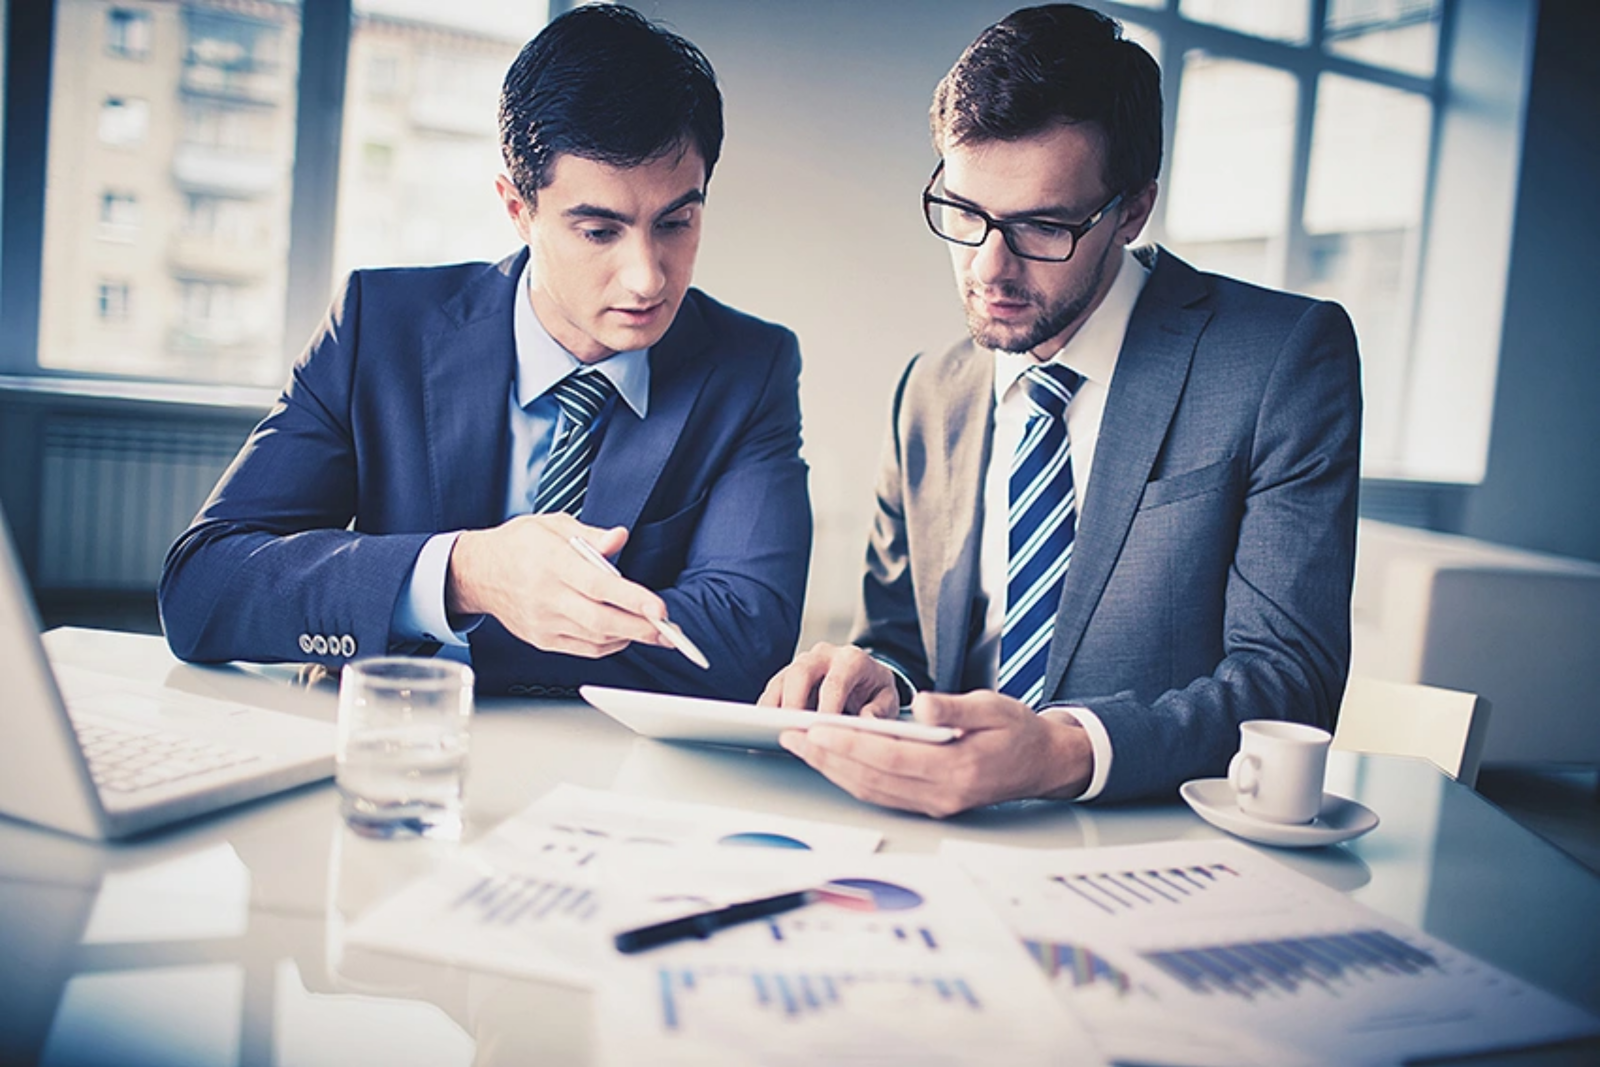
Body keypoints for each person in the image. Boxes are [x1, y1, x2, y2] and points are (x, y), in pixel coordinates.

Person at [762, 3, 1360, 814]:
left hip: (1158, 850)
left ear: (1133, 210)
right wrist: (879, 682)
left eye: (1042, 226)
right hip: (941, 846)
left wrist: (1065, 751)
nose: (990, 266)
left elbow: (1290, 683)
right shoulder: (929, 392)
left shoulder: (1280, 360)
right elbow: (900, 641)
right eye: (965, 215)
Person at [159, 5, 811, 701]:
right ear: (516, 207)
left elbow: (746, 641)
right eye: (598, 231)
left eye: (676, 222)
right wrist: (465, 574)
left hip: (609, 777)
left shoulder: (751, 366)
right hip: (394, 749)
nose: (648, 276)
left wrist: (413, 623)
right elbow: (203, 589)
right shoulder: (379, 328)